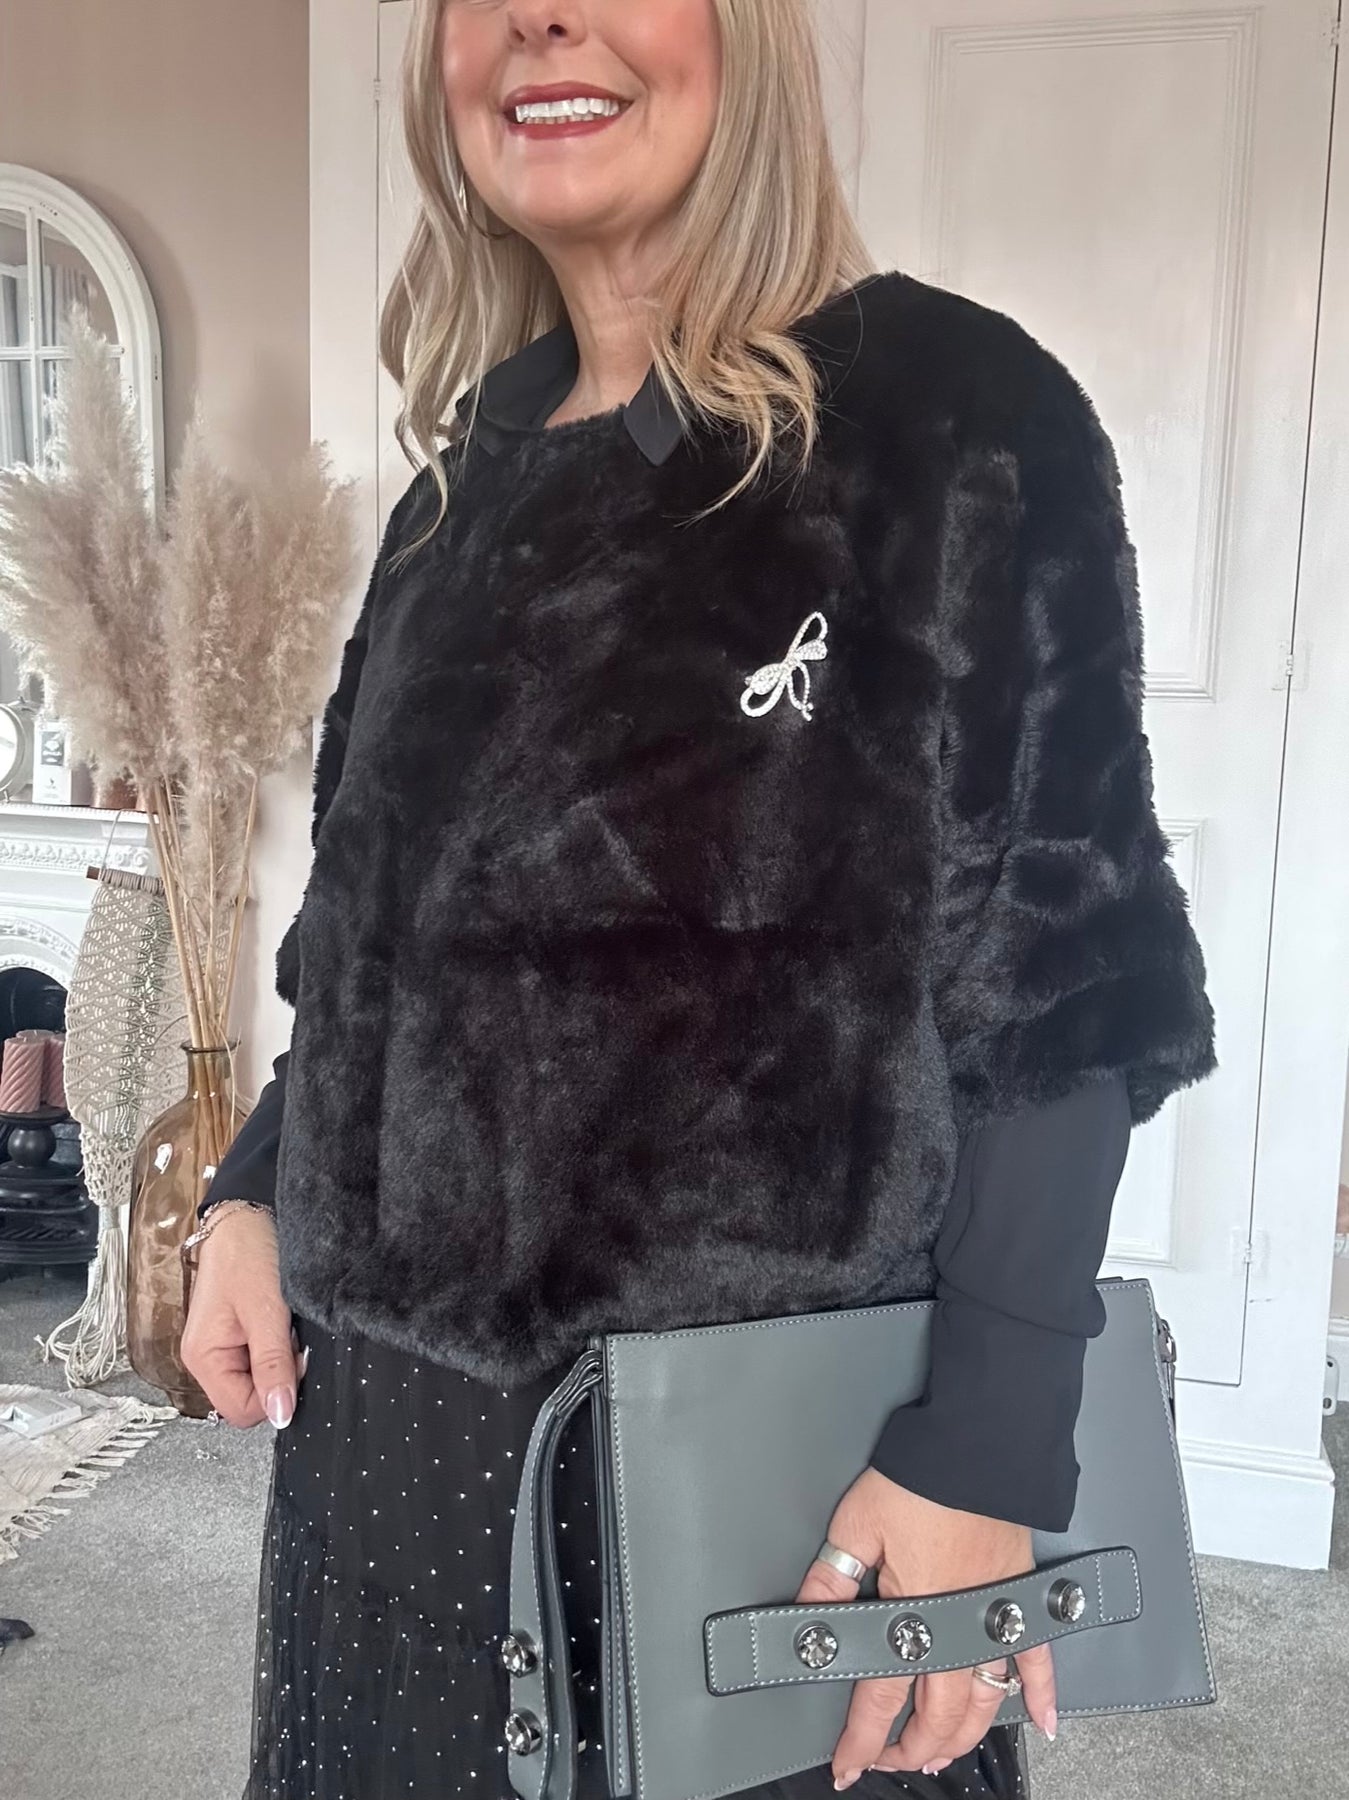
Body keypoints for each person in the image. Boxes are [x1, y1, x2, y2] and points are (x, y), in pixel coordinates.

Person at [182, 3, 1217, 1797]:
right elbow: (368, 945)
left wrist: (987, 1447)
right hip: (386, 1444)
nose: (541, 21)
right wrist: (256, 1191)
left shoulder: (949, 419)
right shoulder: (456, 488)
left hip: (760, 1466)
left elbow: (1061, 986)